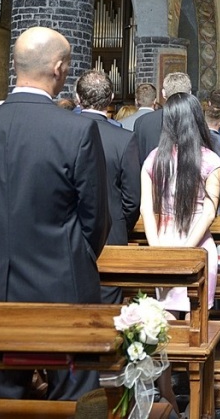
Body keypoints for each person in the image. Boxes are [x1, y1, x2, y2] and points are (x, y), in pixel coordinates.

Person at [0, 26, 110, 400]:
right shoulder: (77, 130)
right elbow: (95, 216)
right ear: (59, 68)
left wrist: (5, 240)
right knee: (74, 392)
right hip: (64, 283)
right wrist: (73, 253)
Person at [141, 93, 220, 304]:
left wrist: (156, 249)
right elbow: (208, 213)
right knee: (197, 325)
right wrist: (187, 250)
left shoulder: (153, 159)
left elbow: (146, 210)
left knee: (165, 321)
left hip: (163, 240)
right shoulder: (211, 161)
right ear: (197, 118)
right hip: (198, 243)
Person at [75, 69, 141, 304]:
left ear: (77, 97)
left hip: (67, 233)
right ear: (111, 97)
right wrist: (119, 223)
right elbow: (132, 198)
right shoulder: (122, 139)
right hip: (111, 233)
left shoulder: (63, 132)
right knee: (109, 304)